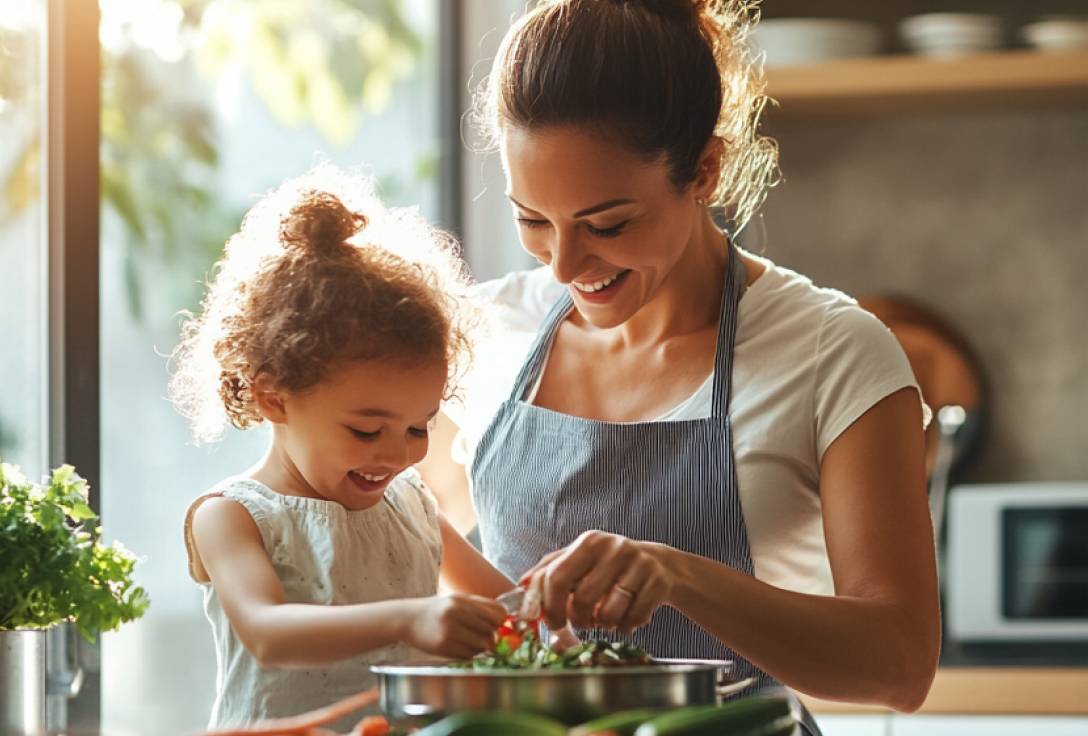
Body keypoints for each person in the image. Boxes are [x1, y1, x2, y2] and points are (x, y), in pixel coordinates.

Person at [417, 1, 941, 732]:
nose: (565, 264)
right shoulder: (484, 334)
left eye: (608, 224)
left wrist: (678, 574)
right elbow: (407, 542)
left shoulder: (834, 352)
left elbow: (900, 665)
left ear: (703, 170)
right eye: (532, 220)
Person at [173, 168, 516, 731]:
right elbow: (267, 631)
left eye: (418, 426)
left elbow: (506, 609)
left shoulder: (411, 505)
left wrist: (553, 597)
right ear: (274, 397)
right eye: (366, 430)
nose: (398, 455)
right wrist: (409, 620)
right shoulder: (233, 516)